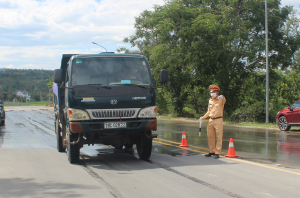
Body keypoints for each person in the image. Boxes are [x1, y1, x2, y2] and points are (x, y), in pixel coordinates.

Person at [199, 85, 226, 159]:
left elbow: (223, 99)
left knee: (219, 137)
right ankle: (212, 151)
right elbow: (209, 111)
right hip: (211, 120)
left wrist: (221, 96)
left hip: (218, 120)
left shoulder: (220, 99)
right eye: (211, 92)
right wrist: (204, 117)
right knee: (210, 136)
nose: (212, 93)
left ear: (217, 92)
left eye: (213, 91)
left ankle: (217, 152)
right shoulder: (210, 100)